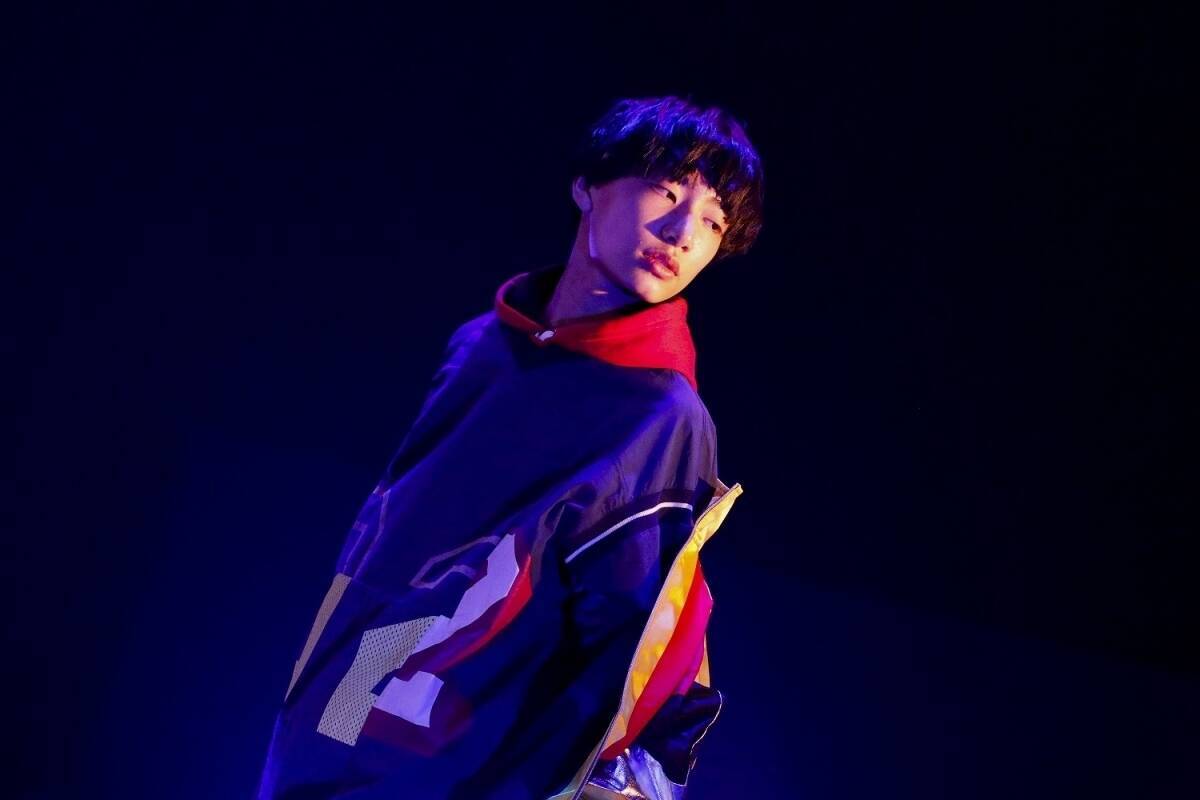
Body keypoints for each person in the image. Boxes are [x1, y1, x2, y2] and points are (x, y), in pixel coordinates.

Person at [255, 94, 765, 800]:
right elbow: (392, 548)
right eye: (667, 191)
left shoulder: (661, 411)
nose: (682, 234)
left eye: (712, 222)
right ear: (587, 186)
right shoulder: (481, 346)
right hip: (363, 708)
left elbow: (633, 641)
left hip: (489, 759)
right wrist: (326, 732)